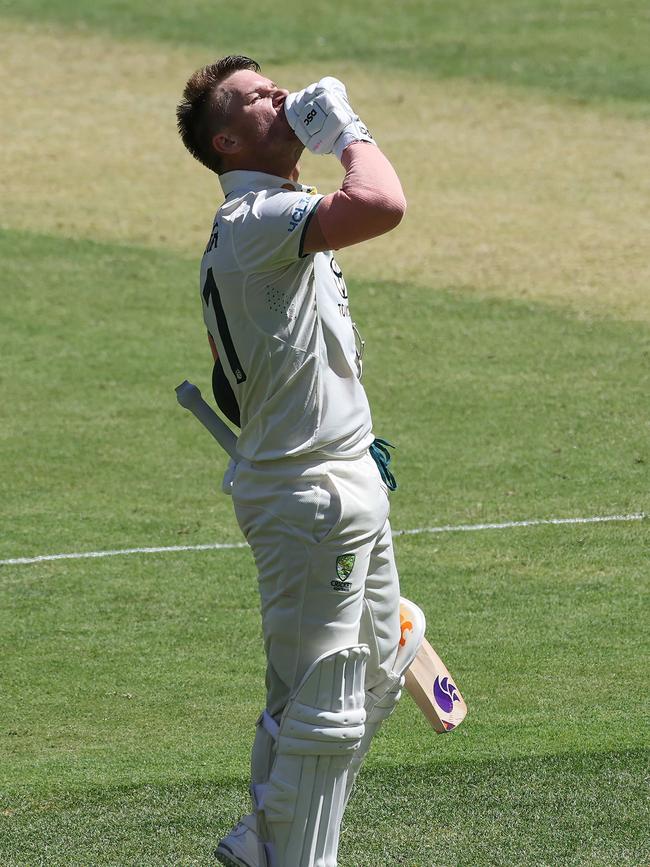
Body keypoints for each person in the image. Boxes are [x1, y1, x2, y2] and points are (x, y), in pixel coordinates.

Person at [176, 56, 409, 867]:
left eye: (275, 85)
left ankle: (261, 837)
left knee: (380, 668)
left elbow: (250, 375)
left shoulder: (272, 223)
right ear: (228, 138)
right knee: (326, 700)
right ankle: (289, 856)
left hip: (337, 472)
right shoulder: (255, 221)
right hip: (309, 493)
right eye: (256, 96)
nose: (280, 95)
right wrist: (348, 131)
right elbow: (381, 202)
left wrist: (348, 429)